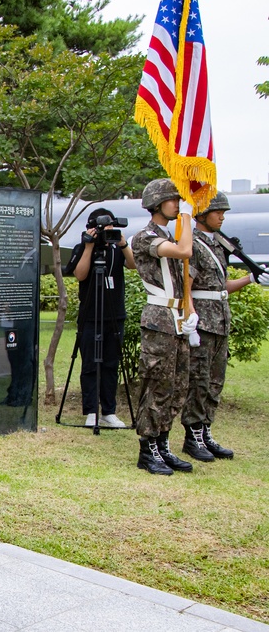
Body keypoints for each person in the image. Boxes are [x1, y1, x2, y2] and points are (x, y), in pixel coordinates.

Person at [183, 193, 269, 461]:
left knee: (215, 381)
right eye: (217, 212)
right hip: (203, 323)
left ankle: (206, 430)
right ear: (201, 214)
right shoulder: (192, 245)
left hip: (220, 320)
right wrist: (191, 318)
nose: (222, 216)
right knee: (198, 380)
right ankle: (192, 435)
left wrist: (250, 278)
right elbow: (187, 285)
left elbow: (220, 289)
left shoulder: (219, 245)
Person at [131, 178, 197, 476]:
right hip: (159, 318)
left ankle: (163, 442)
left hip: (177, 317)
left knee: (178, 386)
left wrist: (190, 314)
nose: (177, 205)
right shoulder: (145, 237)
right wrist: (188, 216)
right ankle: (148, 448)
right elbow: (184, 251)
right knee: (158, 383)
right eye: (174, 201)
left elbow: (186, 274)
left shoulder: (169, 234)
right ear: (158, 204)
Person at [62, 208, 136, 428]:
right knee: (91, 365)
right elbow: (80, 274)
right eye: (103, 227)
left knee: (111, 364)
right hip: (91, 316)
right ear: (91, 228)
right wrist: (89, 246)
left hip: (115, 315)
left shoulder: (117, 249)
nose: (108, 232)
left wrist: (122, 243)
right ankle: (91, 411)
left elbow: (133, 265)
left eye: (111, 226)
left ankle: (109, 411)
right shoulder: (82, 248)